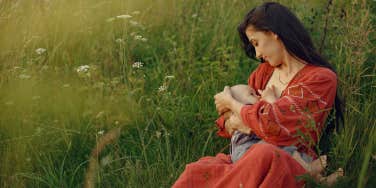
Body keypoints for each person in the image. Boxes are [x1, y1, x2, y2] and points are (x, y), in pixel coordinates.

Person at [173, 2, 344, 187]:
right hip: (246, 154)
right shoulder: (264, 73)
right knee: (196, 171)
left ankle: (310, 176)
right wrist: (242, 119)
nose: (257, 53)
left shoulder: (321, 79)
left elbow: (277, 126)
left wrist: (232, 104)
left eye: (256, 43)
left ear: (274, 33)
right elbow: (228, 122)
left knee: (263, 154)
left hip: (286, 158)